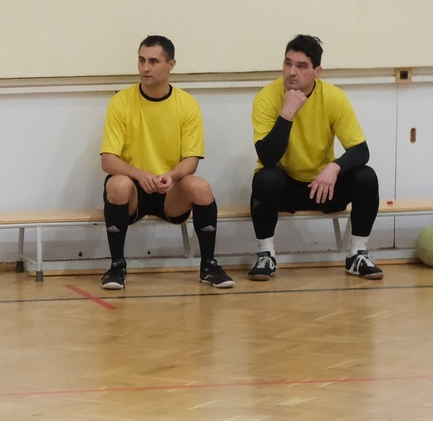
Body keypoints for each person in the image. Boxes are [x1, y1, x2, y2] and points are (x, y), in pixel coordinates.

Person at [98, 35, 232, 290]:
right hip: (135, 190)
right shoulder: (121, 101)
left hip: (169, 190)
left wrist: (171, 176)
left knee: (201, 187)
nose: (145, 67)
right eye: (141, 60)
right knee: (117, 184)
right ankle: (116, 267)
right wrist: (139, 174)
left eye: (153, 61)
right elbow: (108, 160)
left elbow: (191, 160)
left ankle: (209, 266)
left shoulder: (186, 104)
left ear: (171, 65)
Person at [248, 35, 383, 282]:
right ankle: (266, 255)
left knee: (366, 177)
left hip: (322, 187)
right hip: (285, 188)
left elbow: (361, 150)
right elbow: (267, 157)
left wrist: (334, 167)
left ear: (317, 71)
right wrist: (287, 112)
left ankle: (357, 254)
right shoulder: (266, 98)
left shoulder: (333, 97)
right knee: (265, 179)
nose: (292, 72)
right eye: (288, 63)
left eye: (301, 66)